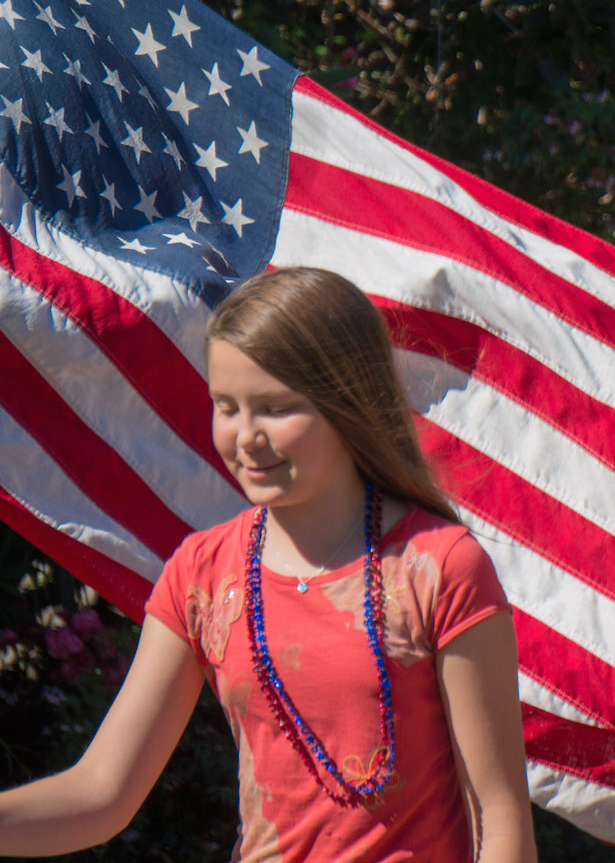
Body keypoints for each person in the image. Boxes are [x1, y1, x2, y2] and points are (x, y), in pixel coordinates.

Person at [0, 267, 537, 862]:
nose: (246, 435)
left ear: (348, 403)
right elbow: (100, 795)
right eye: (226, 407)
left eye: (276, 408)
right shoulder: (200, 573)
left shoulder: (439, 566)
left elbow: (499, 814)